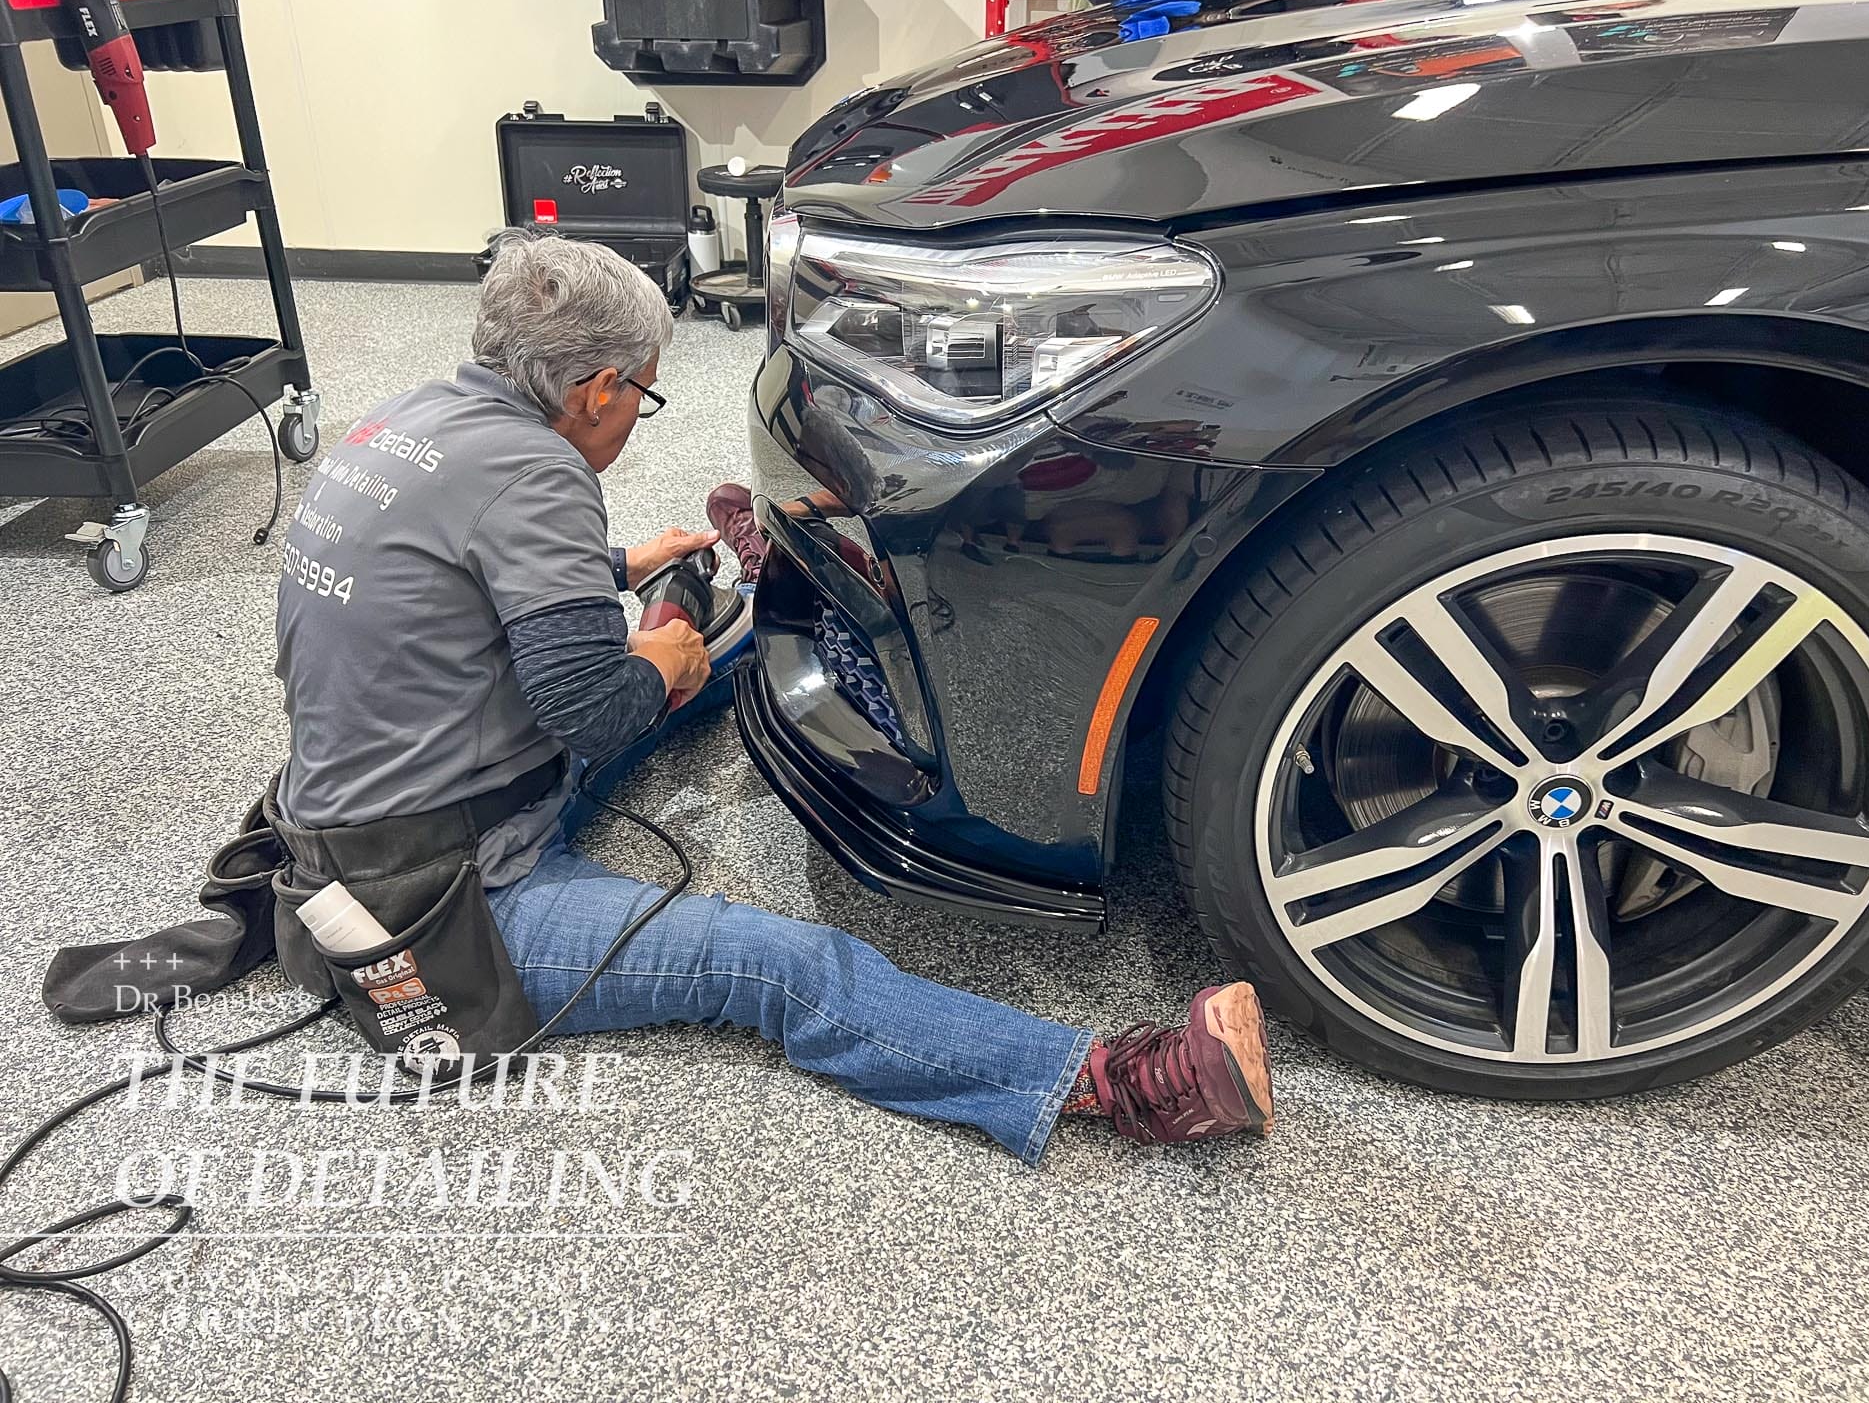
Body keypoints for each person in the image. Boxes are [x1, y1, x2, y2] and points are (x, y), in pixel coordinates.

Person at [274, 229, 1274, 1165]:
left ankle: (765, 597)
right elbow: (595, 712)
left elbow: (446, 584)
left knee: (698, 644)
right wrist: (659, 662)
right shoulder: (537, 473)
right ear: (599, 388)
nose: (634, 416)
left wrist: (618, 566)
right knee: (775, 961)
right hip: (449, 898)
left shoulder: (412, 419)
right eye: (643, 399)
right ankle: (1117, 1084)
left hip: (396, 798)